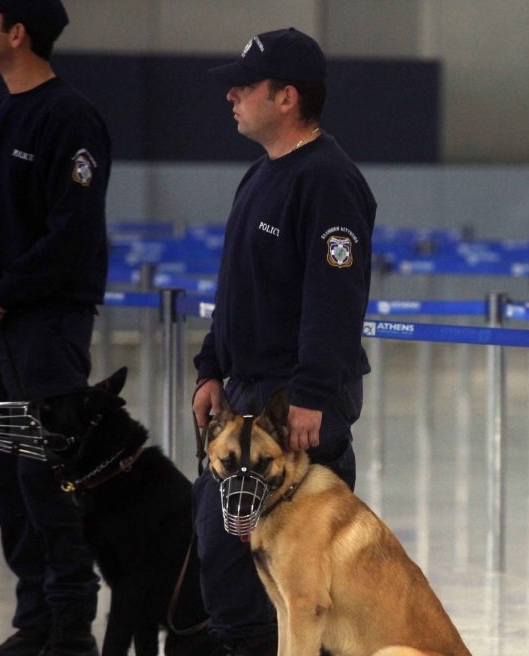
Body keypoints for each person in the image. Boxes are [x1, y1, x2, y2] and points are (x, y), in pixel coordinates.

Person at [190, 28, 376, 656]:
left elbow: (335, 300)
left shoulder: (328, 180)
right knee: (227, 567)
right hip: (242, 398)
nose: (231, 97)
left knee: (301, 589)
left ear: (288, 97)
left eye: (244, 87)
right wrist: (209, 369)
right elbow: (235, 290)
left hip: (293, 410)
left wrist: (313, 393)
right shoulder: (259, 176)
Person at [0, 2, 111, 655]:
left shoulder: (70, 119)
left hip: (44, 330)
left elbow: (71, 234)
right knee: (7, 478)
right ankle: (35, 619)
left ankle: (70, 625)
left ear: (17, 31)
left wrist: (4, 296)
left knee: (46, 476)